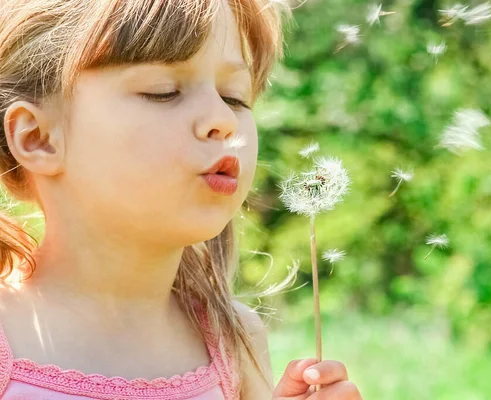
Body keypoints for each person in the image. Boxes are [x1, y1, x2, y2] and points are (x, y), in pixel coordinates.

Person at [0, 0, 363, 399]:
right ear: (37, 137)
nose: (222, 120)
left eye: (235, 97)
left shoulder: (233, 339)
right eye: (163, 92)